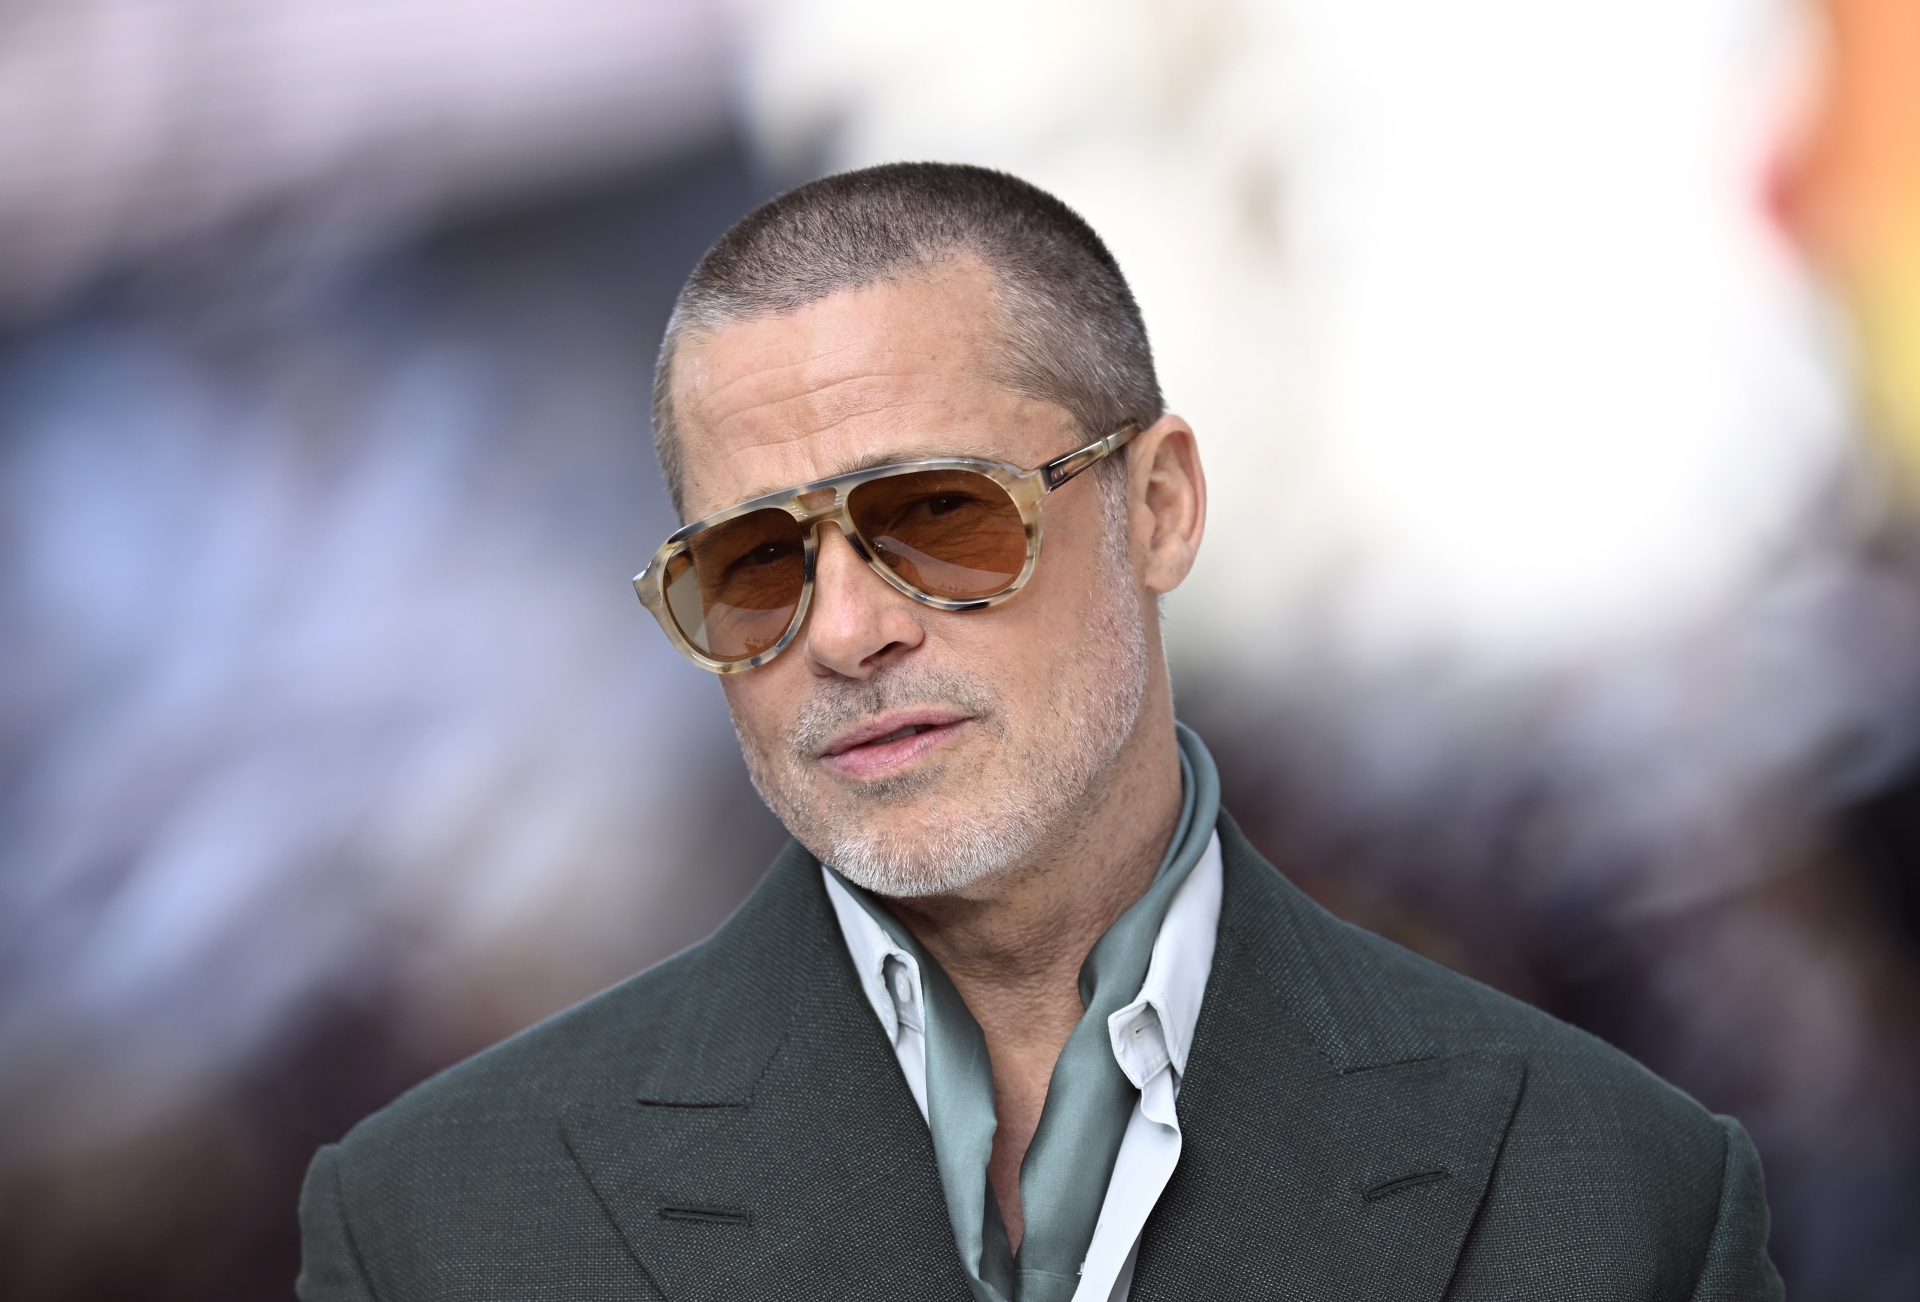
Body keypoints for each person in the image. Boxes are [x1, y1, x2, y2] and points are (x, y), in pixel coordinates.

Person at [296, 162, 1781, 1301]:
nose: (844, 630)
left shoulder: (1619, 1198)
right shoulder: (438, 1228)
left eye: (942, 516)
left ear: (1160, 508)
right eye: (751, 566)